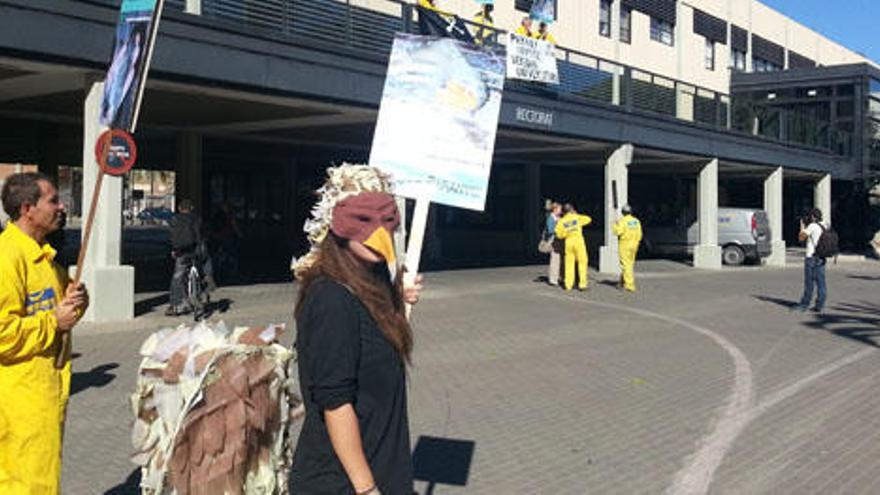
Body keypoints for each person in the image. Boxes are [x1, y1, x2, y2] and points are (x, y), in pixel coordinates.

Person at [290, 164, 424, 494]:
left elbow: (374, 356)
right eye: (363, 219)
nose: (378, 231)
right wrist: (366, 488)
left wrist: (395, 303)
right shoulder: (331, 298)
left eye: (388, 218)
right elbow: (335, 403)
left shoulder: (373, 284)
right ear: (334, 223)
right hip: (343, 483)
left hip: (380, 470)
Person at [0, 172, 89, 494]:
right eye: (52, 200)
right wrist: (54, 322)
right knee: (28, 484)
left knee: (40, 480)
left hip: (46, 393)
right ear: (27, 209)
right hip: (20, 401)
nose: (61, 206)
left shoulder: (43, 256)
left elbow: (63, 306)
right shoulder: (7, 258)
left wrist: (77, 299)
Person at [166, 199, 214, 316]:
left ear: (179, 208)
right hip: (196, 251)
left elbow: (172, 237)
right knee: (207, 258)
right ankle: (208, 276)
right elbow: (203, 234)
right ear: (191, 208)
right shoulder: (197, 218)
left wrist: (173, 250)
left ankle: (174, 306)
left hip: (181, 252)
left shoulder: (174, 220)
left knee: (177, 276)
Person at [793, 208, 827, 312]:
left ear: (812, 216)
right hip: (822, 256)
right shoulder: (826, 224)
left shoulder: (812, 226)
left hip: (811, 257)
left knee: (809, 282)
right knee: (821, 282)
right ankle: (819, 305)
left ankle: (804, 304)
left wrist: (802, 227)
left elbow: (801, 238)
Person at [555, 203, 592, 291]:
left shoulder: (562, 221)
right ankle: (582, 284)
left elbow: (558, 235)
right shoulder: (576, 217)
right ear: (571, 210)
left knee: (569, 263)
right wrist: (576, 214)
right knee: (582, 262)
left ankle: (568, 285)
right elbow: (588, 219)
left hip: (568, 241)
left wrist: (566, 233)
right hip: (578, 241)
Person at [612, 204, 643, 292]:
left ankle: (629, 285)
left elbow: (617, 232)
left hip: (625, 244)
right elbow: (640, 234)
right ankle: (622, 281)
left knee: (625, 265)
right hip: (634, 244)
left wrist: (615, 225)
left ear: (622, 212)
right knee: (630, 264)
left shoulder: (622, 221)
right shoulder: (636, 221)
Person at [544, 201, 563, 286]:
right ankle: (553, 279)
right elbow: (551, 230)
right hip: (554, 240)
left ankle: (559, 277)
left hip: (559, 240)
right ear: (555, 209)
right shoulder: (551, 218)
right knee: (555, 259)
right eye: (559, 209)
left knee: (559, 259)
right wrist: (558, 224)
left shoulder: (558, 217)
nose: (561, 211)